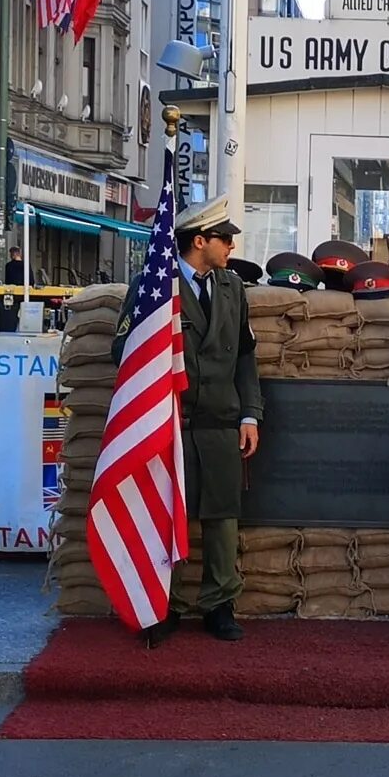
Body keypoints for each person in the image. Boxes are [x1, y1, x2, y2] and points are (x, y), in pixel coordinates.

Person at [148, 197, 263, 642]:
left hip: (221, 421)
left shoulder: (232, 288)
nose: (231, 245)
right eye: (225, 238)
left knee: (222, 518)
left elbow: (246, 359)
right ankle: (168, 604)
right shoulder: (157, 285)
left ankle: (219, 604)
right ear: (200, 241)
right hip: (173, 423)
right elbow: (126, 351)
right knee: (169, 517)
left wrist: (251, 413)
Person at [0, 244, 29, 333]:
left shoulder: (9, 266)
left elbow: (8, 281)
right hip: (24, 292)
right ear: (20, 254)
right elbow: (31, 280)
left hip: (12, 294)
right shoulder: (26, 265)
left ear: (13, 254)